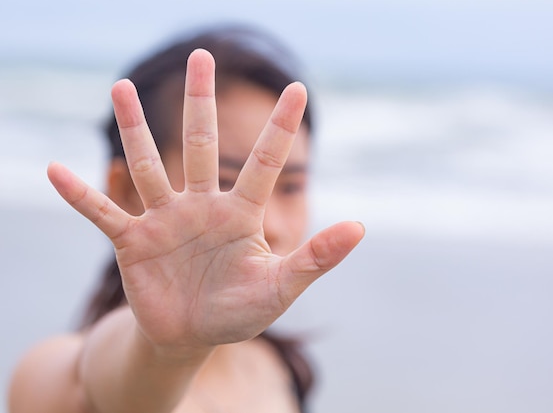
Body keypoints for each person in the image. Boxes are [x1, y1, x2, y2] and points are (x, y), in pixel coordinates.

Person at [8, 25, 364, 413]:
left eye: (292, 186)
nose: (273, 225)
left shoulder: (280, 366)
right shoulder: (53, 380)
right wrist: (172, 349)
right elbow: (112, 386)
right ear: (127, 190)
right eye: (227, 182)